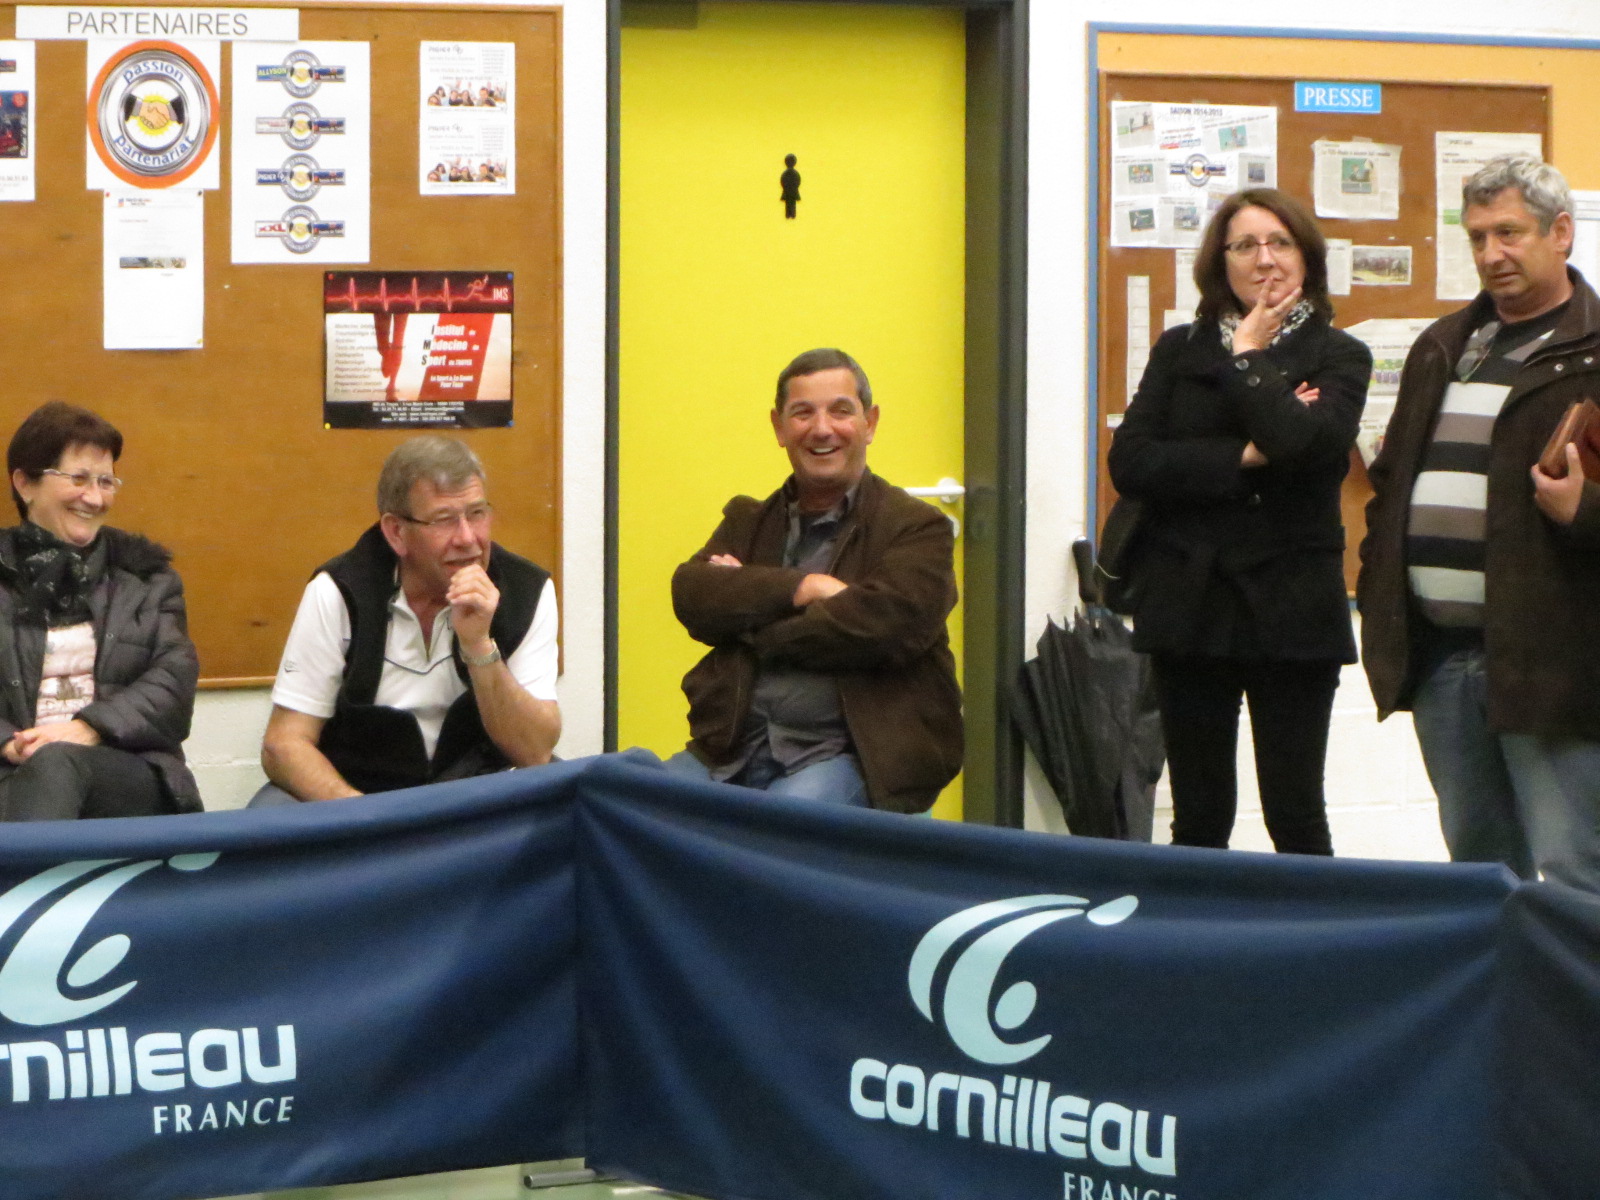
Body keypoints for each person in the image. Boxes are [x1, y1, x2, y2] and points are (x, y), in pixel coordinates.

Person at [1358, 155, 1600, 892]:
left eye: (1509, 233)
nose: (1491, 253)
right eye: (1477, 237)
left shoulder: (1594, 352)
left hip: (1555, 665)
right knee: (1478, 874)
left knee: (1576, 872)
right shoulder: (1442, 347)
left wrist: (1585, 512)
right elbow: (1391, 484)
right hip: (1443, 661)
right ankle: (1504, 979)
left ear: (1561, 233)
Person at [1107, 188, 1371, 854]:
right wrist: (1245, 454)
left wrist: (1249, 357)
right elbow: (1132, 462)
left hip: (1293, 605)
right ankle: (1195, 927)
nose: (1265, 259)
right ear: (1219, 262)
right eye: (1245, 245)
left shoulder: (1340, 355)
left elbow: (1306, 448)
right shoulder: (1180, 349)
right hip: (1190, 602)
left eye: (1280, 243)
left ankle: (1310, 929)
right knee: (1198, 817)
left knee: (1296, 814)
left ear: (1306, 257)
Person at [666, 348, 963, 813]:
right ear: (779, 428)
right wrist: (805, 589)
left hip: (851, 757)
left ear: (870, 423)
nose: (822, 429)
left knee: (775, 832)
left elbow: (886, 627)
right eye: (803, 413)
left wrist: (753, 620)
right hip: (731, 750)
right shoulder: (748, 520)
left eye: (840, 411)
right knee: (634, 806)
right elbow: (692, 594)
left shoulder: (917, 528)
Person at [255, 437, 559, 803]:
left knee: (564, 796)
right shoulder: (339, 591)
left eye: (477, 514)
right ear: (396, 532)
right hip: (361, 793)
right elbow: (284, 743)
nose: (468, 539)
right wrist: (364, 815)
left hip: (479, 792)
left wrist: (478, 646)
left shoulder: (528, 590)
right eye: (444, 520)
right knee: (269, 809)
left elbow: (534, 752)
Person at [0, 402, 200, 821]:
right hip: (9, 768)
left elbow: (173, 683)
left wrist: (88, 728)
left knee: (57, 764)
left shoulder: (147, 579)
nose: (94, 498)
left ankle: (28, 868)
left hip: (124, 769)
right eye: (78, 479)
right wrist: (8, 742)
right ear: (24, 484)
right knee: (44, 768)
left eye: (106, 482)